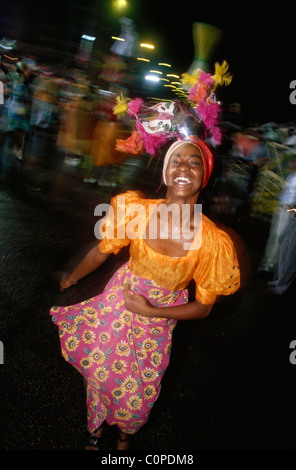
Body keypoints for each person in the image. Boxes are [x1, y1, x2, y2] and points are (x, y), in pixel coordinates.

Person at [50, 135, 240, 450]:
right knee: (101, 369)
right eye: (176, 161)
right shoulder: (137, 211)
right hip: (118, 304)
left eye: (194, 163)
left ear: (204, 176)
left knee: (140, 392)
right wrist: (73, 277)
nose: (183, 168)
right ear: (165, 172)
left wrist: (151, 311)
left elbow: (204, 307)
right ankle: (94, 432)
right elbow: (102, 251)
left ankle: (125, 435)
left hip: (158, 321)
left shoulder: (211, 241)